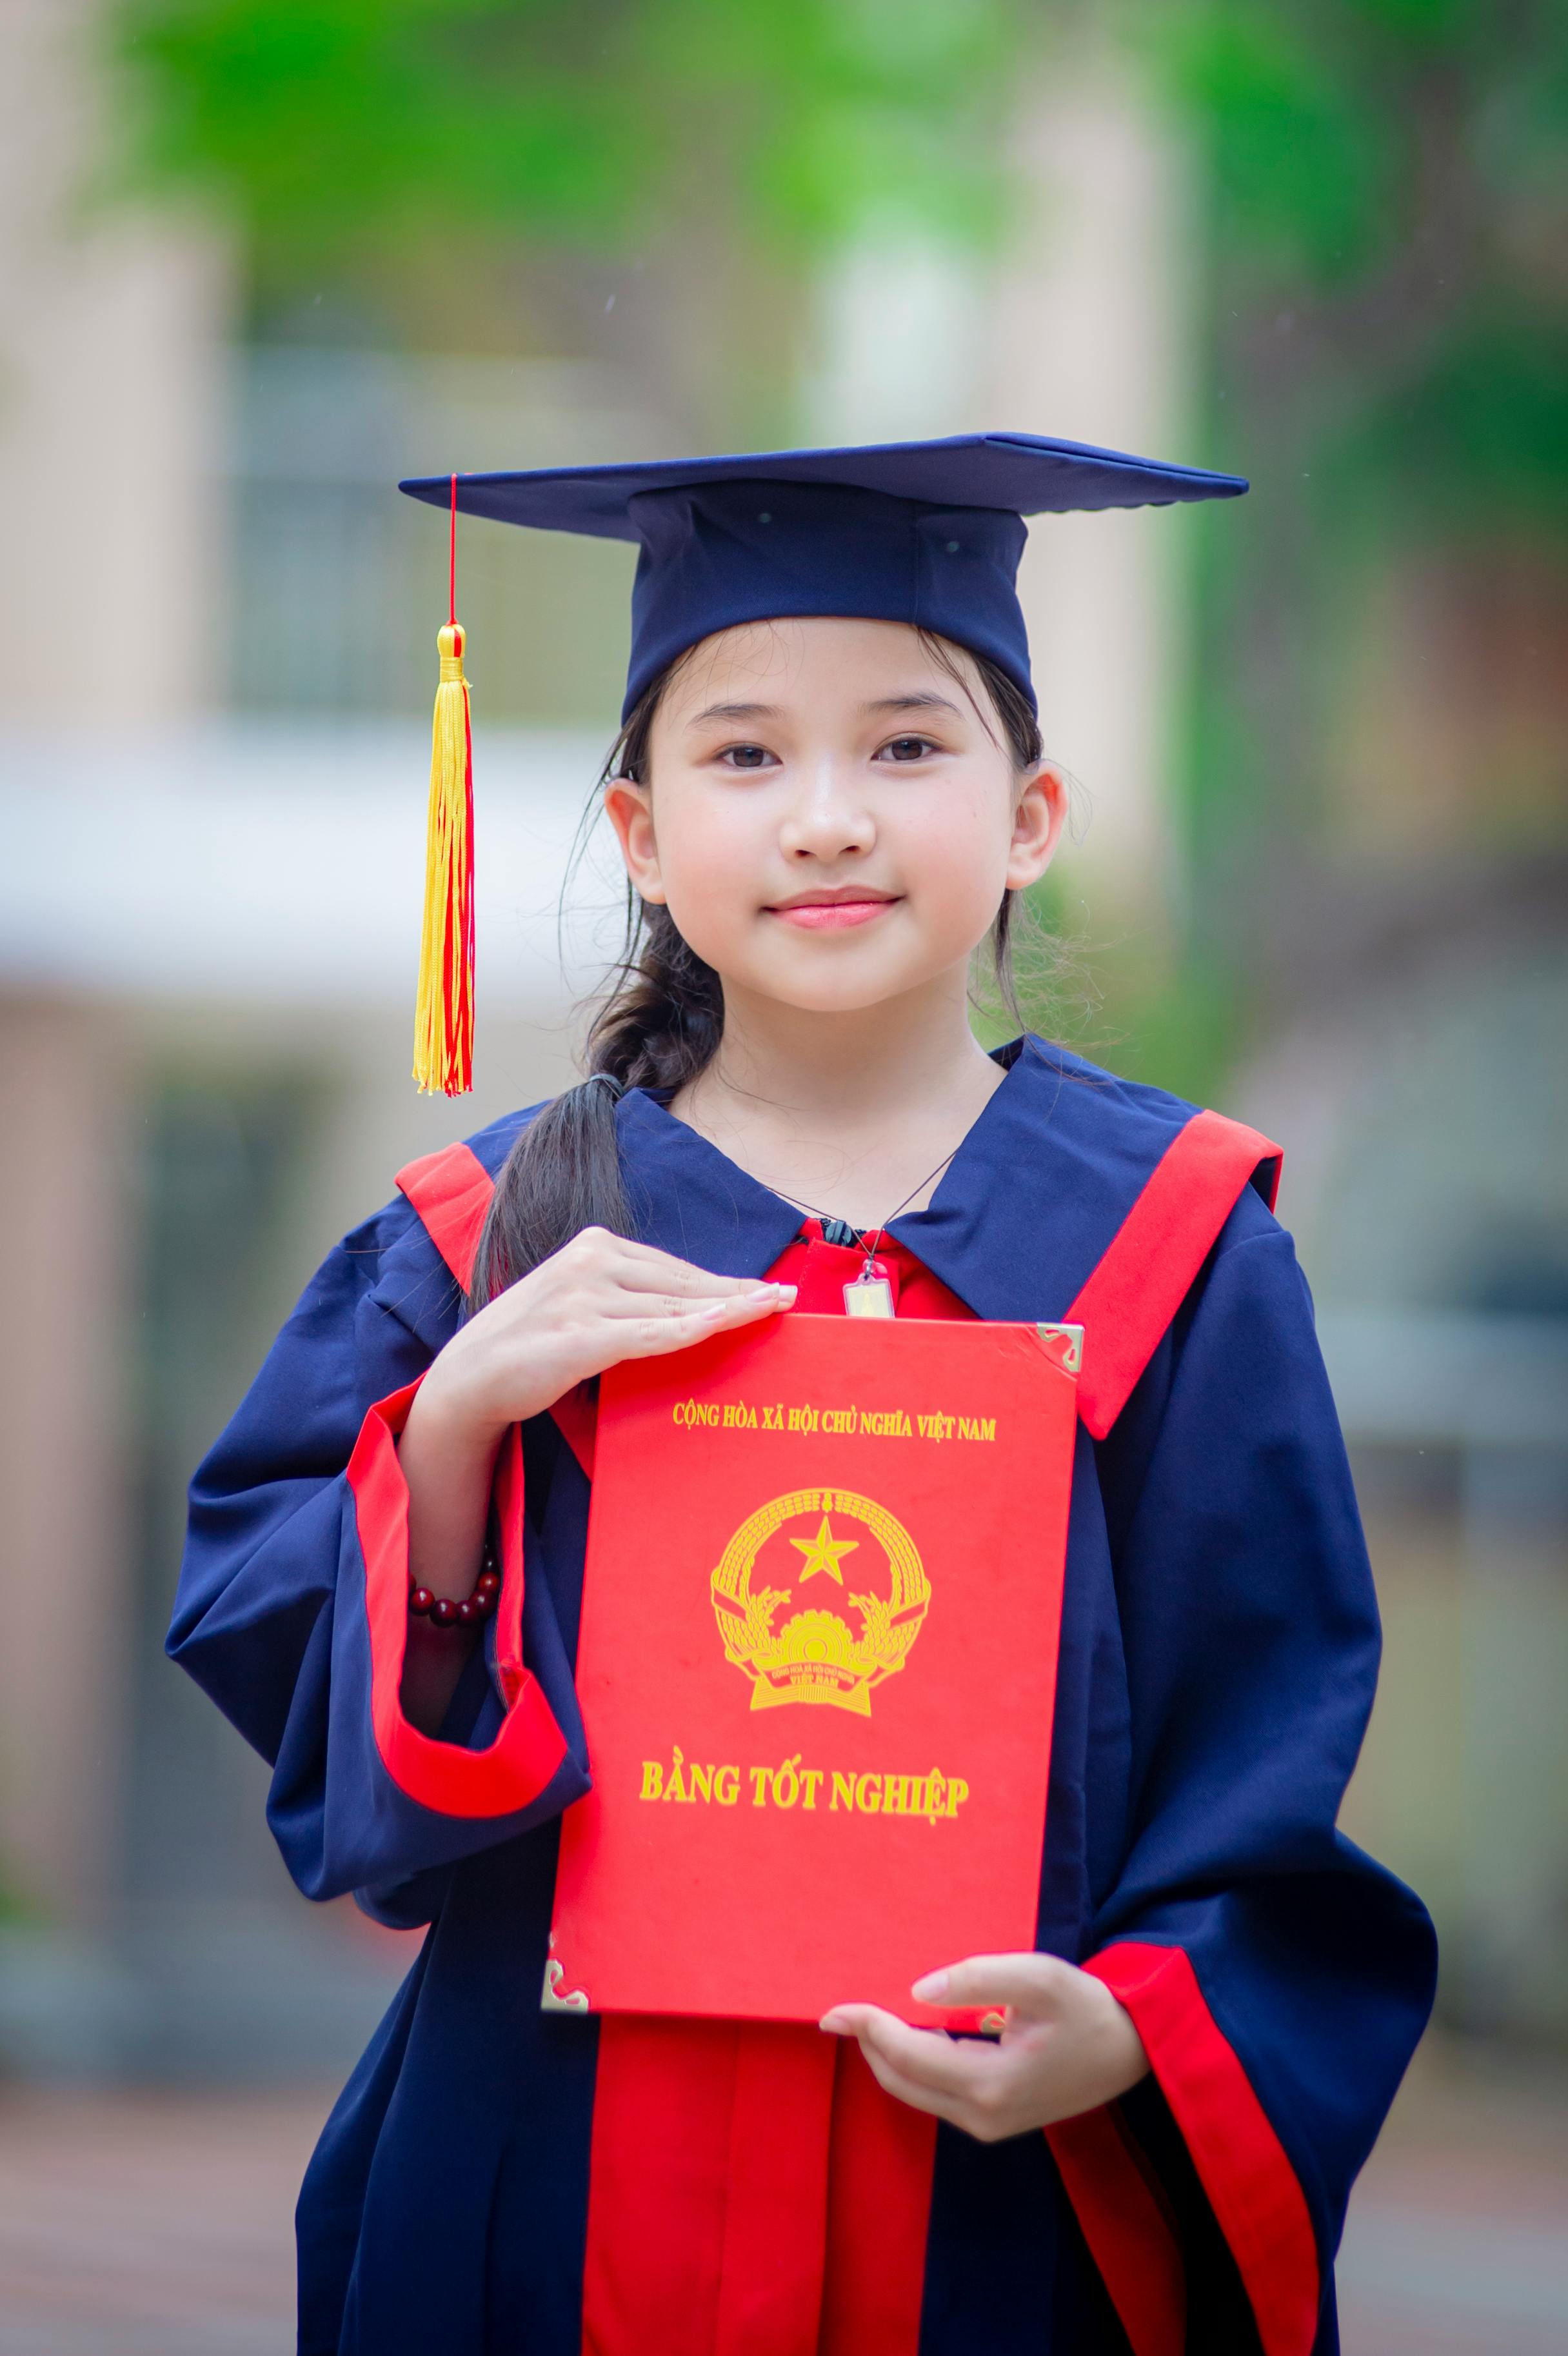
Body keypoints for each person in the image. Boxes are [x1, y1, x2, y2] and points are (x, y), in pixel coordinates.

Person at [171, 435, 1436, 2356]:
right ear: (644, 833)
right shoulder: (481, 1246)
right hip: (556, 2182)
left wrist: (1136, 2026)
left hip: (992, 2213)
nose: (828, 817)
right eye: (746, 753)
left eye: (909, 748)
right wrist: (445, 1446)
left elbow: (1260, 1747)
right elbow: (326, 1751)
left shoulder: (1175, 1251)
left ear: (1031, 816)